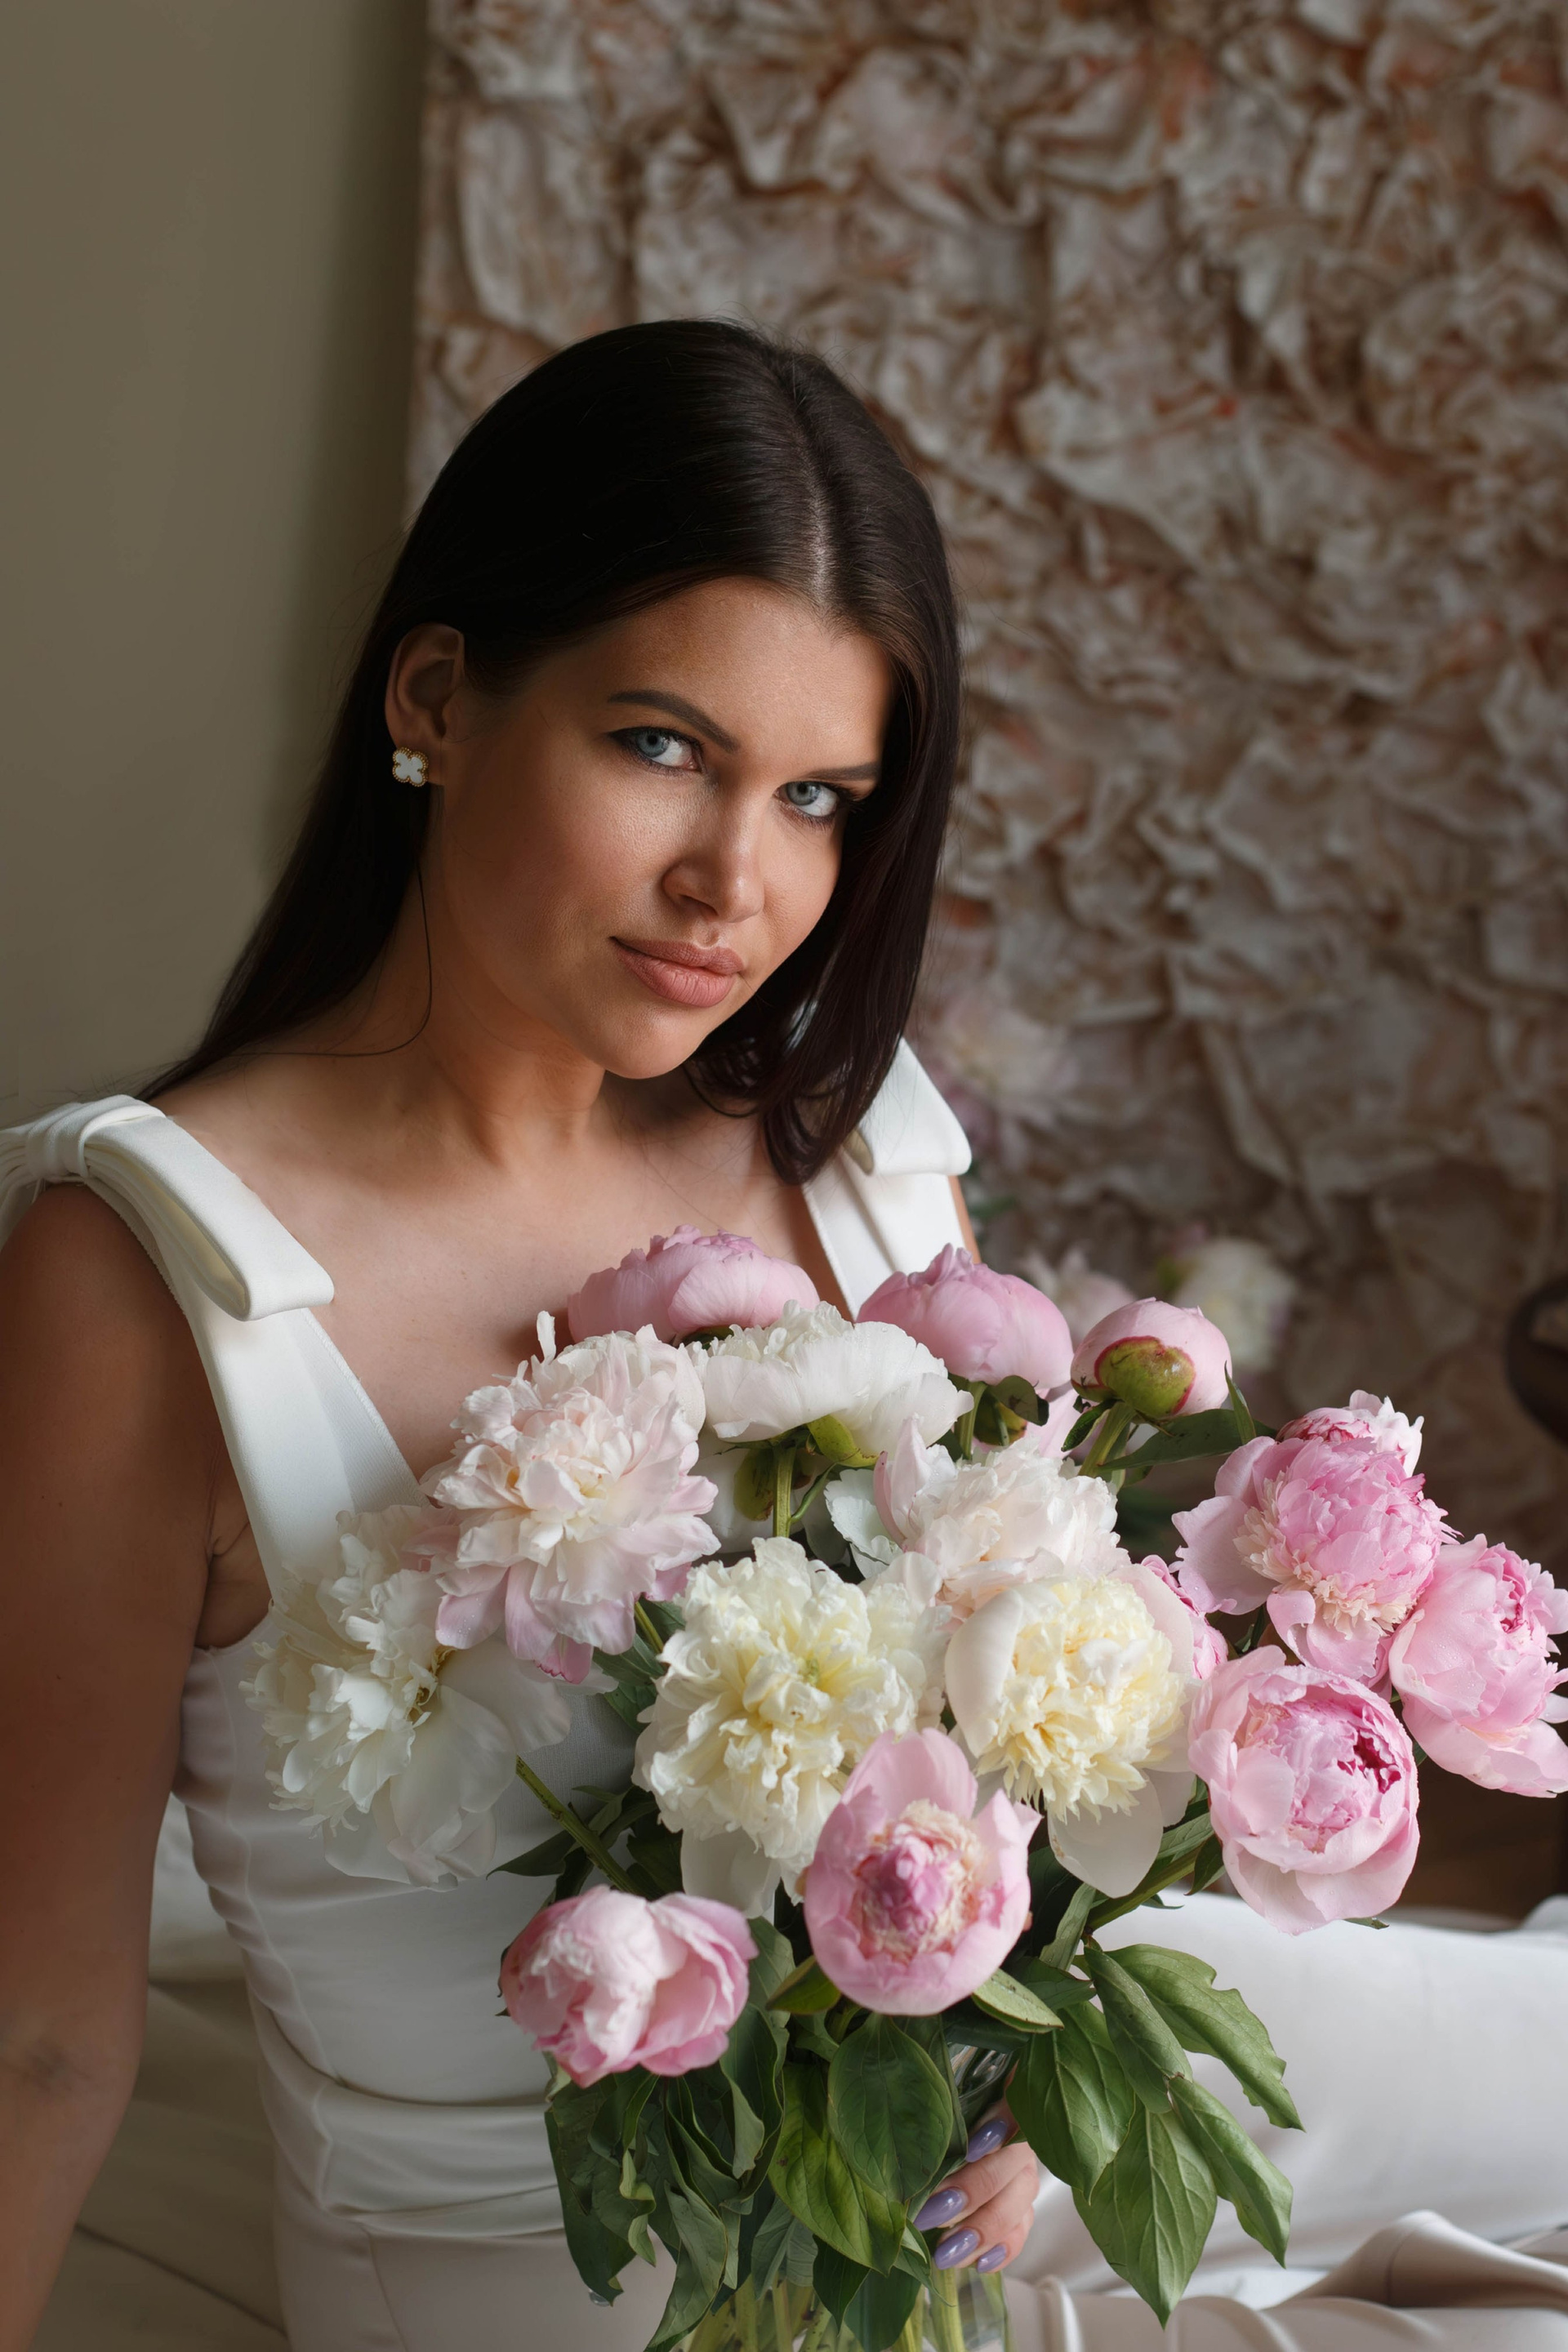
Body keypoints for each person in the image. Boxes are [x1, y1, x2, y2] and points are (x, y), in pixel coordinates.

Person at [2, 320, 1566, 2352]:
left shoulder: (854, 1167)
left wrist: (1041, 2060)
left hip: (956, 2211)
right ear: (437, 694)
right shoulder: (140, 1276)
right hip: (536, 2287)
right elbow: (36, 2030)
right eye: (661, 746)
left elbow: (1019, 1792)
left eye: (820, 797)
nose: (732, 886)